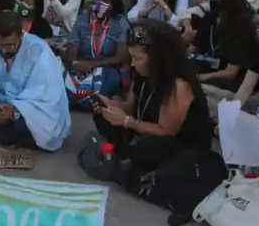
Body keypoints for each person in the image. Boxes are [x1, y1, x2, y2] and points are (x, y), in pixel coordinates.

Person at [90, 21, 213, 173]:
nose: (133, 64)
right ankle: (128, 153)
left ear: (157, 58)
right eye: (132, 57)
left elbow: (166, 131)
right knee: (102, 116)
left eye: (138, 58)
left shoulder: (179, 85)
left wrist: (127, 121)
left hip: (180, 146)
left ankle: (130, 157)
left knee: (152, 145)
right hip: (144, 129)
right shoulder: (144, 74)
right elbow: (132, 106)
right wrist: (110, 106)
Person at [0, 10, 72, 151]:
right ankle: (7, 135)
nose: (4, 51)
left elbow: (45, 96)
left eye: (10, 45)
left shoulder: (39, 51)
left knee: (35, 124)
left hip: (22, 113)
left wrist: (15, 111)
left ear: (20, 35)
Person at [191, 0, 259, 97]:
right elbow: (194, 47)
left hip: (228, 81)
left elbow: (231, 72)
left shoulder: (242, 26)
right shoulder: (210, 17)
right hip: (205, 68)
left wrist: (203, 77)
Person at [65, 0, 130, 99]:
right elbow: (72, 47)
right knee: (64, 80)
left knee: (112, 80)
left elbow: (121, 57)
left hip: (107, 67)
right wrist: (76, 64)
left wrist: (92, 65)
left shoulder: (120, 23)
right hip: (81, 64)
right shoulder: (83, 19)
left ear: (113, 5)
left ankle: (97, 100)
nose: (101, 3)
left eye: (106, 0)